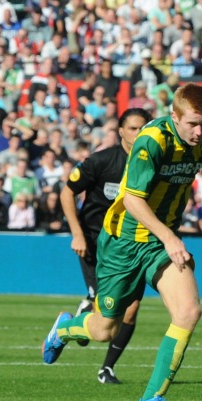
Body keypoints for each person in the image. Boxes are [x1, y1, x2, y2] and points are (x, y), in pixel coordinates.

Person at [41, 83, 202, 401]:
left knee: (189, 311)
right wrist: (170, 237)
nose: (199, 131)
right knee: (103, 329)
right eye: (192, 123)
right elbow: (133, 200)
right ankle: (63, 330)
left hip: (160, 243)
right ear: (174, 116)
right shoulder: (152, 140)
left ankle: (151, 398)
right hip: (122, 242)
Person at [59, 108, 151, 385]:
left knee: (132, 308)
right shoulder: (102, 161)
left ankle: (106, 368)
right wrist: (76, 233)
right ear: (121, 131)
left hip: (133, 244)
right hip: (96, 242)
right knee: (104, 316)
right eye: (133, 128)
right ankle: (77, 321)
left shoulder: (153, 163)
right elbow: (67, 193)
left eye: (143, 128)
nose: (138, 134)